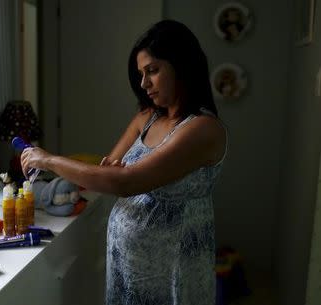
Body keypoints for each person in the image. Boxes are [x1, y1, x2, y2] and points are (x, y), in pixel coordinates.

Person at [21, 19, 227, 305]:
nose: (144, 84)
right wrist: (110, 175)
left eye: (153, 71)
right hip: (127, 265)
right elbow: (107, 173)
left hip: (173, 269)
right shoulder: (148, 117)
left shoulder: (202, 129)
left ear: (182, 65)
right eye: (141, 74)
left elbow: (124, 183)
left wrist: (49, 160)